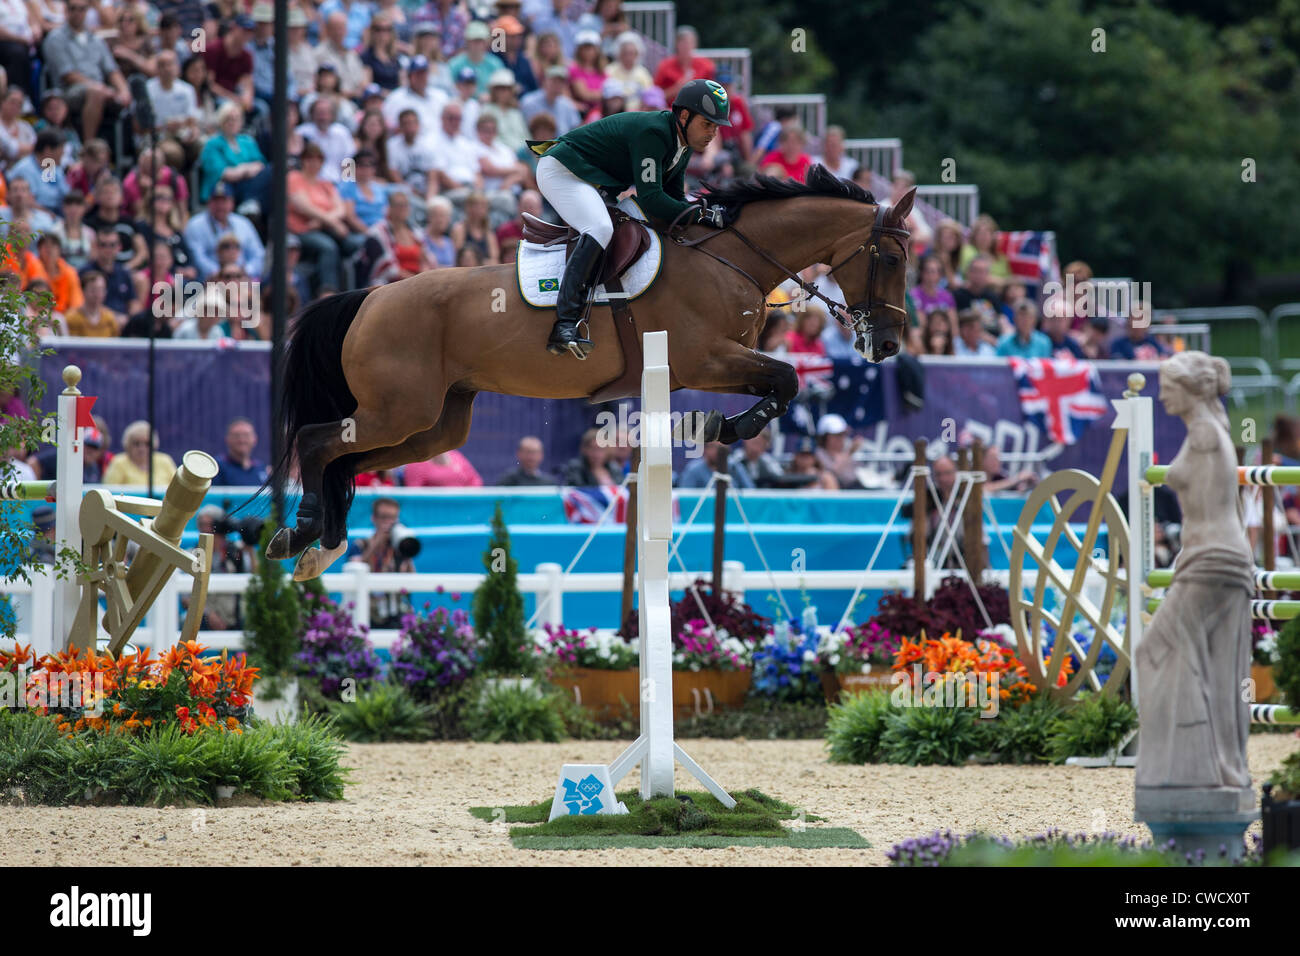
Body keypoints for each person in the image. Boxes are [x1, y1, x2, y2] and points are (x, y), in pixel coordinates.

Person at [529, 77, 732, 358]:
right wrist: (701, 213)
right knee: (599, 227)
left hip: (592, 182)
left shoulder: (682, 146)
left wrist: (700, 215)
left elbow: (674, 200)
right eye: (707, 124)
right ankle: (564, 324)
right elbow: (651, 199)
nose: (712, 133)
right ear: (684, 116)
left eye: (716, 127)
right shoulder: (655, 133)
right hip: (563, 171)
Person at [41, 0, 132, 143]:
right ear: (66, 11)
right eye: (73, 9)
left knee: (133, 92)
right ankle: (88, 146)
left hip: (101, 89)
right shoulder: (55, 38)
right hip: (68, 92)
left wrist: (124, 90)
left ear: (87, 11)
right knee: (95, 92)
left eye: (82, 9)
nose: (78, 13)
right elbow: (68, 75)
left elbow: (112, 70)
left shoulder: (95, 39)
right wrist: (100, 88)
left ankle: (131, 148)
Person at [346, 496, 415, 626]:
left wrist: (407, 549)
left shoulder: (399, 548)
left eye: (393, 518)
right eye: (384, 517)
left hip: (397, 612)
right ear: (374, 519)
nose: (389, 523)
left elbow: (413, 580)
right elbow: (354, 568)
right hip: (368, 614)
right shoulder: (361, 545)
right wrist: (376, 544)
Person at [103, 420, 177, 487]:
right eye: (136, 443)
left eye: (147, 444)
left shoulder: (165, 461)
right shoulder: (118, 462)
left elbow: (176, 488)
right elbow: (109, 491)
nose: (142, 448)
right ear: (128, 445)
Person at [61, 269, 120, 336]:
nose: (97, 294)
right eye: (93, 290)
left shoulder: (110, 318)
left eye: (101, 289)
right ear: (83, 291)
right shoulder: (71, 318)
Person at [677, 439, 756, 489]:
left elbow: (751, 492)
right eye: (714, 447)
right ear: (705, 449)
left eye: (722, 448)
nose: (719, 451)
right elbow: (684, 497)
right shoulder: (693, 470)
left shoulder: (734, 467)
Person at [213, 417, 268, 485]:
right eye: (236, 436)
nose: (242, 440)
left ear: (255, 439)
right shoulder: (216, 468)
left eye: (246, 435)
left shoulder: (261, 468)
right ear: (227, 439)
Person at [403, 448, 483, 486]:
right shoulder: (417, 462)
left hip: (463, 507)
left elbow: (475, 480)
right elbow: (414, 493)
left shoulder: (456, 455)